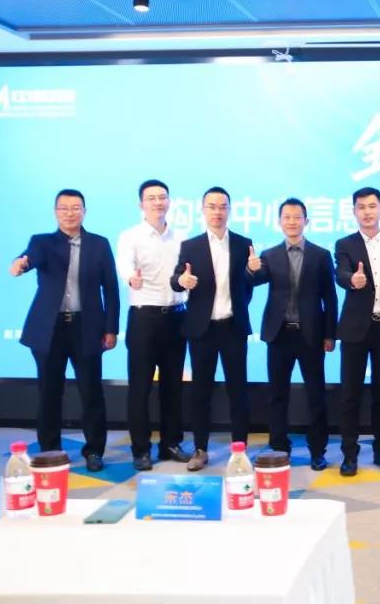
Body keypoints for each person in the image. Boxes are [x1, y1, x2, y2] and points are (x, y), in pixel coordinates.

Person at [10, 189, 119, 472]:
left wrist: (111, 329)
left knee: (91, 393)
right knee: (49, 393)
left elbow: (111, 289)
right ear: (55, 212)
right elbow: (30, 258)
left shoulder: (99, 244)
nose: (70, 213)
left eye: (76, 207)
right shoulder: (42, 242)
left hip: (87, 327)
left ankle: (94, 451)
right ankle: (50, 450)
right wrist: (21, 263)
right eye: (64, 208)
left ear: (84, 211)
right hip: (50, 330)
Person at [170, 186, 254, 471]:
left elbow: (247, 286)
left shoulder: (243, 244)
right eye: (212, 206)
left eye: (222, 206)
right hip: (202, 330)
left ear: (229, 209)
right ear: (203, 210)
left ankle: (239, 450)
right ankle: (200, 449)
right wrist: (182, 281)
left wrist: (252, 274)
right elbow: (176, 279)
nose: (217, 212)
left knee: (238, 391)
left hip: (233, 327)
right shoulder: (190, 246)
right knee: (201, 392)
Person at [250, 198, 338, 472]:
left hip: (310, 334)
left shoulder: (321, 255)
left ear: (306, 221)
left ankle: (317, 450)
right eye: (286, 217)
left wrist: (330, 334)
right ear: (279, 222)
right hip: (279, 335)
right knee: (277, 395)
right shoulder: (269, 254)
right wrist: (250, 269)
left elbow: (330, 297)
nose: (292, 222)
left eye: (297, 217)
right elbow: (255, 279)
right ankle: (279, 446)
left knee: (316, 395)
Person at [115, 179, 190, 471]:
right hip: (144, 318)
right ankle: (141, 449)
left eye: (163, 197)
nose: (158, 202)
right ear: (141, 204)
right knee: (140, 388)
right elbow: (124, 264)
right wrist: (130, 278)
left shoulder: (181, 237)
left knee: (173, 386)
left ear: (169, 202)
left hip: (177, 317)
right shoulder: (130, 236)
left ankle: (171, 443)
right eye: (152, 198)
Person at [335, 187, 380, 476]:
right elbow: (340, 273)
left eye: (372, 206)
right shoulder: (345, 243)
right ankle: (349, 454)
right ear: (354, 211)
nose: (367, 211)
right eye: (361, 207)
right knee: (350, 395)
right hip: (355, 329)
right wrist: (351, 280)